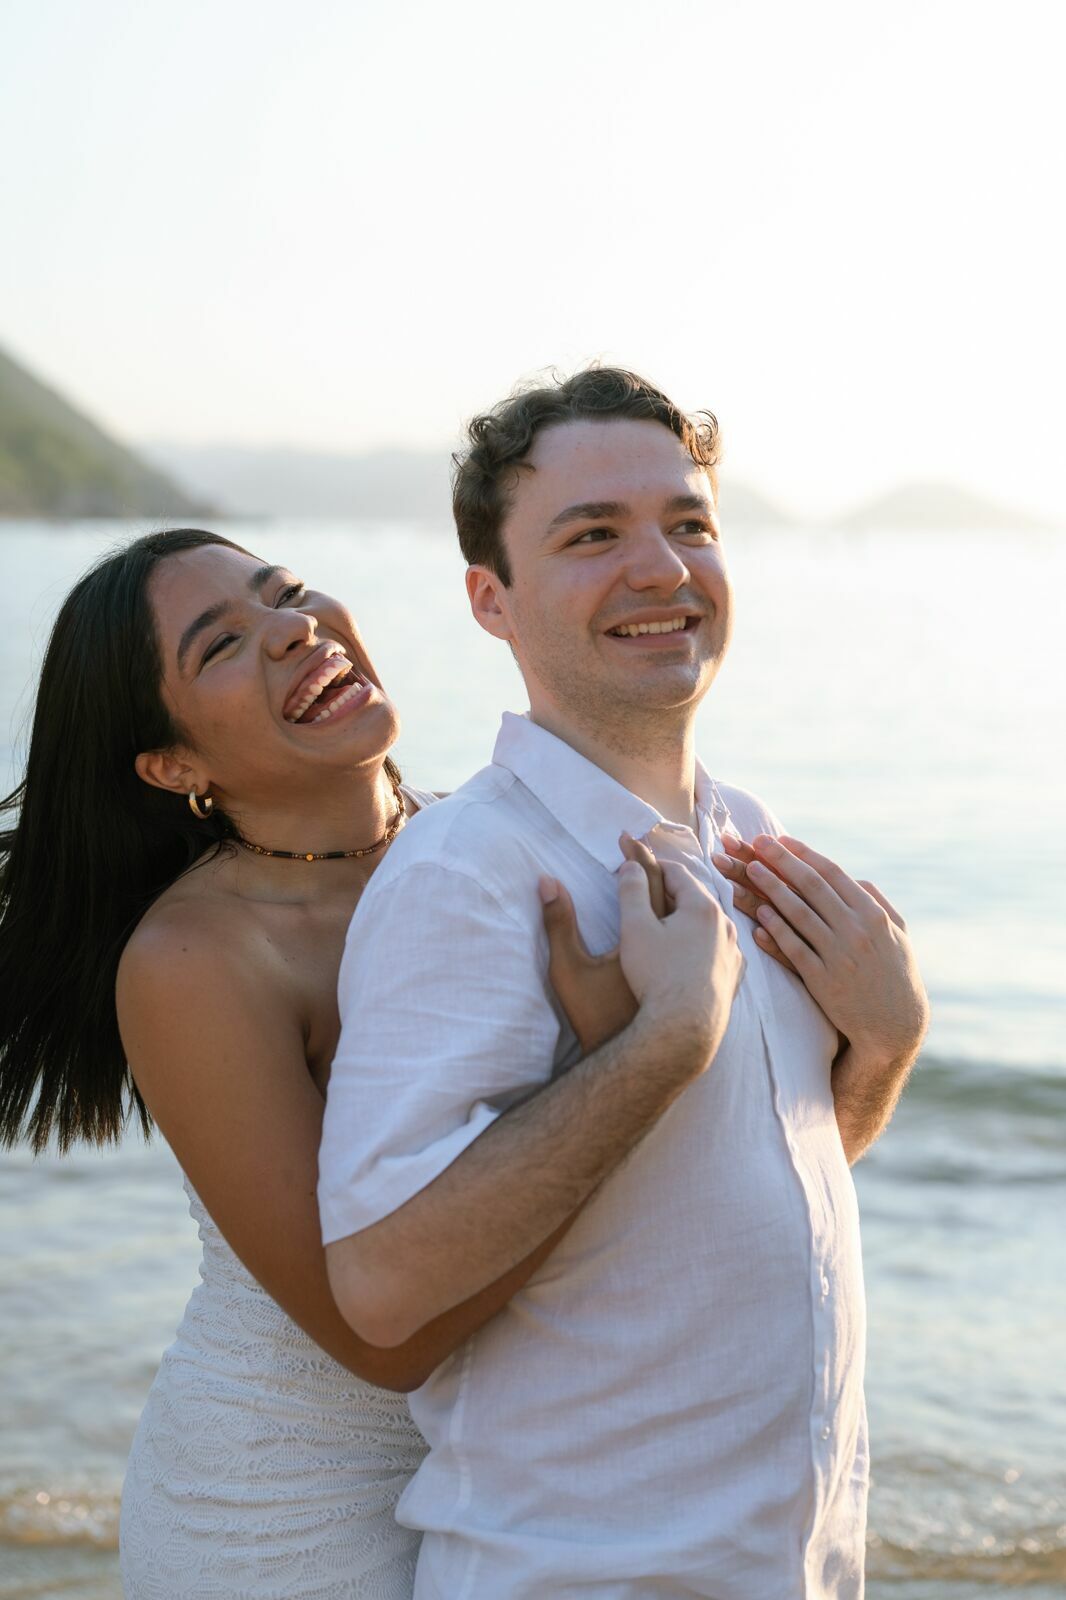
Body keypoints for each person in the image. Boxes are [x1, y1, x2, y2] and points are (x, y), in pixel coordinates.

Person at [0, 527, 736, 1598]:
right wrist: (617, 1054)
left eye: (287, 591)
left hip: (506, 1479)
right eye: (220, 645)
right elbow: (381, 1340)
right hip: (283, 1517)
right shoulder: (198, 960)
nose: (294, 628)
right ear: (174, 765)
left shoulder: (478, 846)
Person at [320, 367, 930, 1599]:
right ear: (492, 599)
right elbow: (382, 1284)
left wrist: (886, 1044)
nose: (660, 567)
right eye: (593, 535)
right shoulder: (474, 870)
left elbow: (738, 1183)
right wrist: (665, 1038)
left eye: (688, 523)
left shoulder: (750, 834)